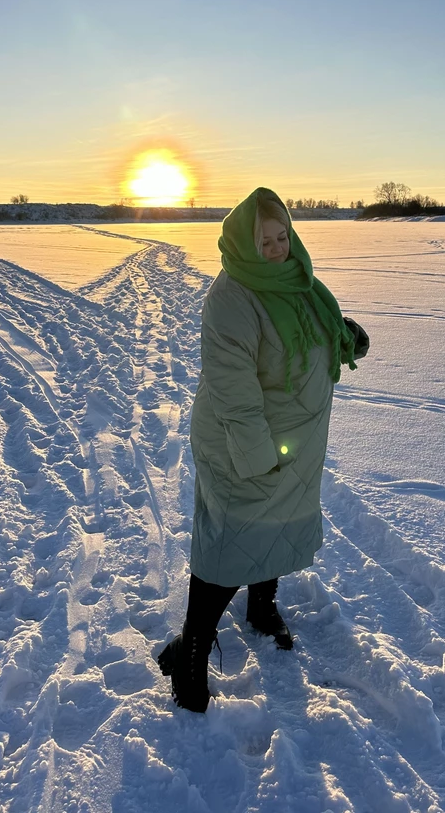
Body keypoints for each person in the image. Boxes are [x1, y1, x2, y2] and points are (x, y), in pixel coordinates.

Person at [157, 187, 369, 712]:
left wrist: (345, 336)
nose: (276, 249)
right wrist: (257, 458)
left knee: (273, 530)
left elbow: (309, 331)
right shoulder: (232, 297)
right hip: (243, 441)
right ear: (241, 245)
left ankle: (261, 608)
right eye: (265, 241)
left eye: (282, 237)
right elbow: (233, 389)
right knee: (228, 548)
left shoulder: (299, 281)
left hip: (294, 439)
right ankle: (189, 658)